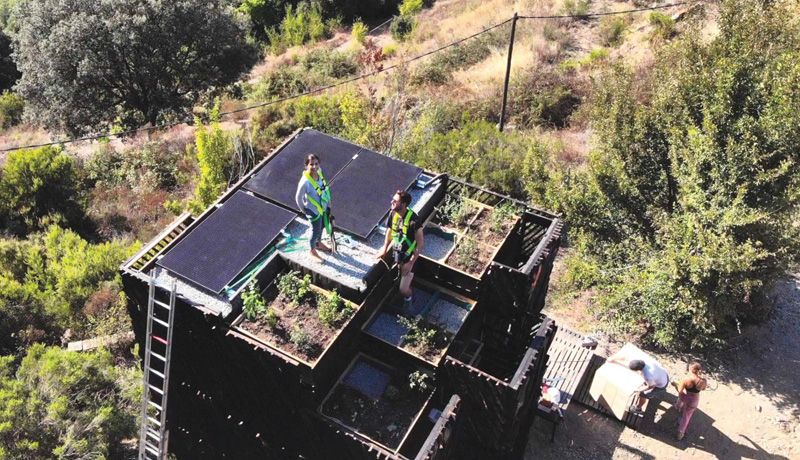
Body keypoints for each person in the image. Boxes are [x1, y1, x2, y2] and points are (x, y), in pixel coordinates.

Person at [376, 190, 424, 309]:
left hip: (409, 258)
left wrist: (410, 263)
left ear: (403, 204)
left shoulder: (415, 221)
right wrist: (385, 248)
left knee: (403, 289)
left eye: (395, 201)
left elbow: (420, 244)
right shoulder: (393, 214)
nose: (391, 202)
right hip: (398, 253)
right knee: (398, 276)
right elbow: (389, 231)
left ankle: (409, 298)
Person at [607, 348, 670, 415]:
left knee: (643, 394)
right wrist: (613, 359)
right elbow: (625, 357)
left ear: (638, 369)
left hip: (661, 385)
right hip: (663, 374)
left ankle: (638, 408)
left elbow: (652, 386)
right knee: (642, 383)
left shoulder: (648, 375)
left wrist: (639, 390)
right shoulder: (642, 360)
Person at [295, 154, 332, 261]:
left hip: (323, 207)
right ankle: (312, 250)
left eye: (316, 164)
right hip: (313, 211)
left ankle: (318, 243)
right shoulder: (305, 182)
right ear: (306, 165)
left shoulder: (319, 173)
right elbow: (298, 198)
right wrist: (304, 210)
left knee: (322, 227)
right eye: (311, 164)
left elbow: (324, 188)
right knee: (315, 230)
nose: (314, 167)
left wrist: (328, 204)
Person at [675, 361, 707, 440]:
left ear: (691, 369)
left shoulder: (686, 379)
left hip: (685, 397)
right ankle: (680, 434)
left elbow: (680, 390)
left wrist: (676, 384)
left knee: (680, 397)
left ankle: (678, 406)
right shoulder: (703, 381)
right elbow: (703, 388)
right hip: (694, 400)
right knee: (687, 416)